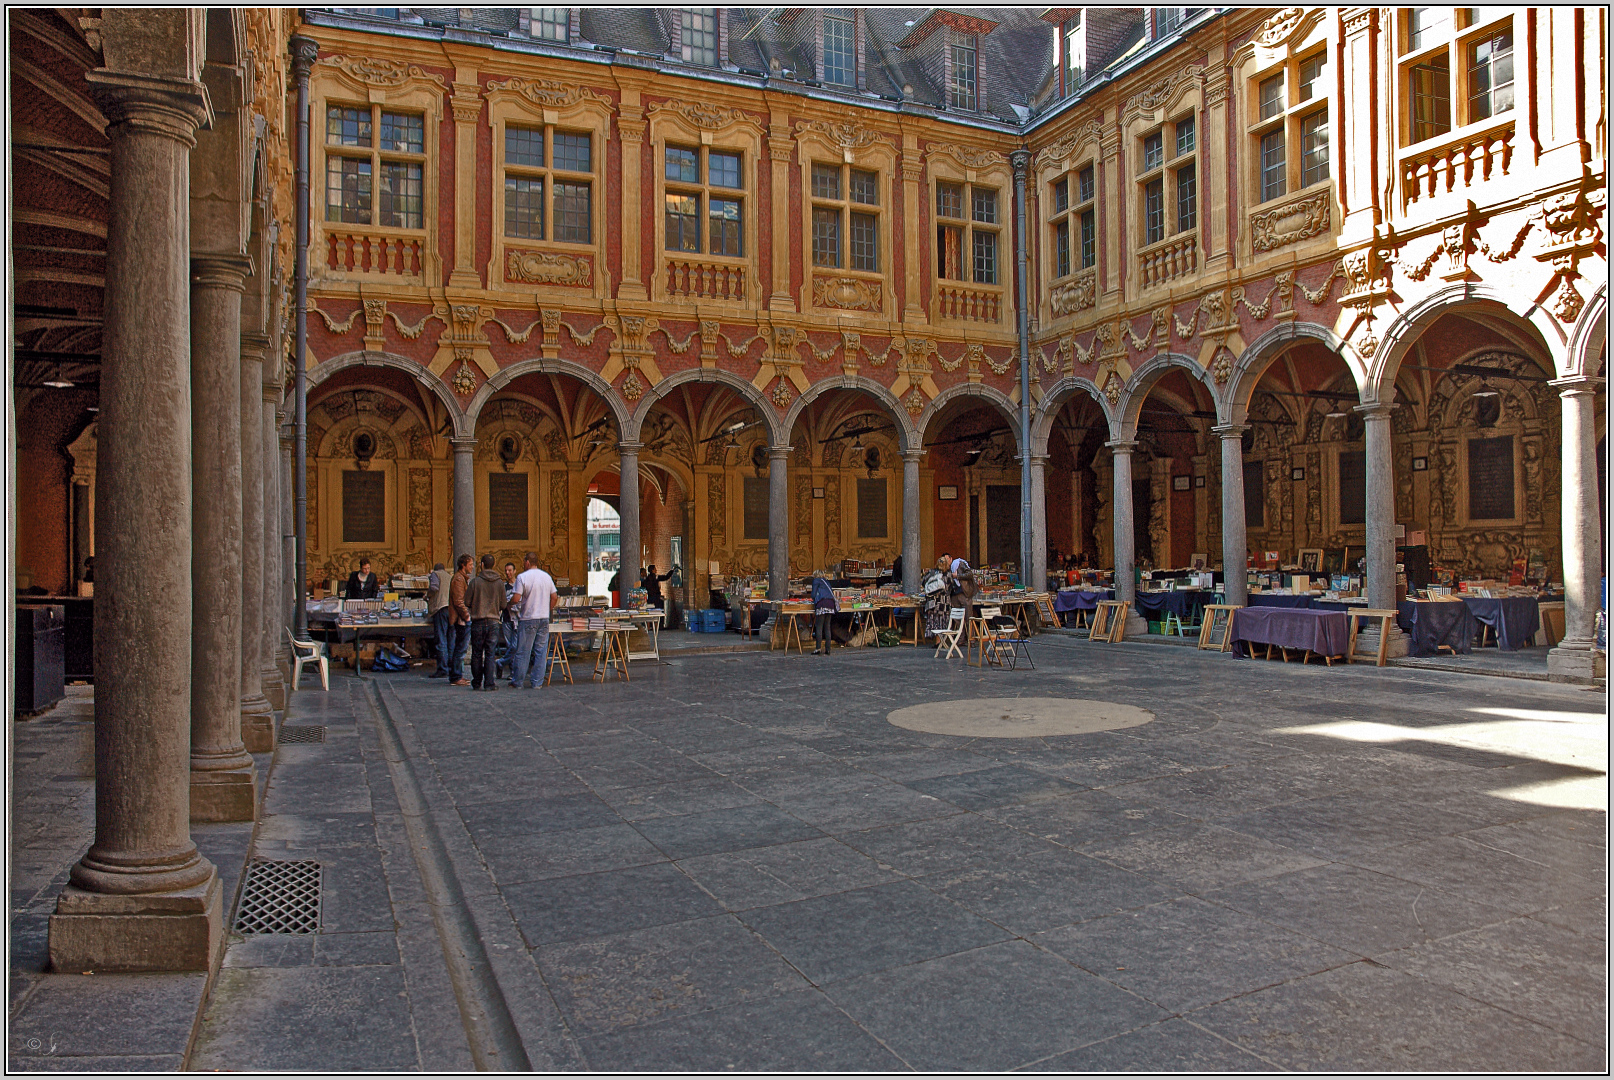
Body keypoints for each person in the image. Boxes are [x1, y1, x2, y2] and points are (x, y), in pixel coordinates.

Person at [510, 551, 559, 689]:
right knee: (541, 651)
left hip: (528, 618)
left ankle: (518, 681)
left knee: (523, 652)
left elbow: (516, 598)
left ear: (527, 562)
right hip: (543, 618)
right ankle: (537, 682)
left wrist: (507, 605)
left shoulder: (522, 577)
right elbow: (554, 597)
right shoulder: (546, 576)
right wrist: (546, 609)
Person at [465, 554, 505, 691]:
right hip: (493, 621)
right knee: (490, 653)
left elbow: (467, 602)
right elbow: (504, 604)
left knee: (476, 653)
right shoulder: (499, 583)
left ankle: (476, 682)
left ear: (482, 565)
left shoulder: (475, 582)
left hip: (477, 621)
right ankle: (489, 683)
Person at [447, 554, 473, 686]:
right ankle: (456, 676)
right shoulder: (458, 579)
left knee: (460, 648)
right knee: (460, 648)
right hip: (460, 620)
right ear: (463, 565)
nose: (472, 567)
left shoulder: (461, 578)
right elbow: (458, 601)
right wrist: (466, 616)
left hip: (461, 619)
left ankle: (458, 675)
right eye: (470, 564)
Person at [427, 562, 452, 677]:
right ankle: (452, 667)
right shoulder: (450, 576)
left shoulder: (435, 574)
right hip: (451, 609)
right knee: (450, 640)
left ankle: (442, 668)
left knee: (441, 639)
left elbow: (434, 587)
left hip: (440, 608)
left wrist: (428, 595)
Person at [496, 561, 519, 679]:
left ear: (514, 571)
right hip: (506, 618)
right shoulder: (503, 587)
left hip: (518, 619)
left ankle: (500, 663)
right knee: (510, 645)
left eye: (510, 570)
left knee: (515, 646)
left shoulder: (519, 585)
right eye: (506, 571)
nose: (508, 573)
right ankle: (512, 672)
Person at [810, 573, 838, 655]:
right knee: (827, 627)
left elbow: (813, 594)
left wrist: (813, 598)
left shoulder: (816, 581)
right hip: (830, 604)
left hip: (822, 604)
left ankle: (818, 648)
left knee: (819, 626)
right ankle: (828, 649)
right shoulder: (826, 581)